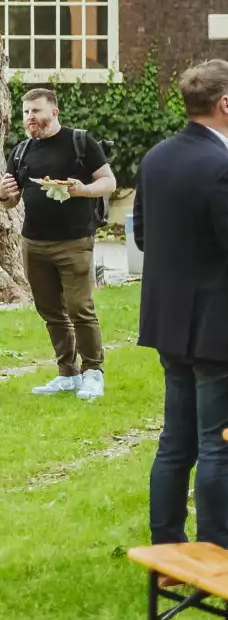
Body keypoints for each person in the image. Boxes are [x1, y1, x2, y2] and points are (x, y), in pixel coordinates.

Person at [135, 60, 228, 549]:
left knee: (176, 444)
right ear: (226, 104)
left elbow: (143, 234)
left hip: (170, 322)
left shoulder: (156, 157)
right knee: (218, 445)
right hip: (221, 327)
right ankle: (214, 552)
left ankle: (168, 546)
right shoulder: (225, 168)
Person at [2, 86, 115, 401]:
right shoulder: (22, 151)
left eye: (36, 111)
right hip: (33, 243)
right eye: (26, 112)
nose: (30, 118)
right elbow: (12, 202)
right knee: (50, 310)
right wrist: (4, 195)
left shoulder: (80, 142)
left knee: (80, 307)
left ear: (54, 112)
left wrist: (82, 189)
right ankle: (68, 374)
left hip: (74, 241)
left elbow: (109, 181)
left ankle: (93, 372)